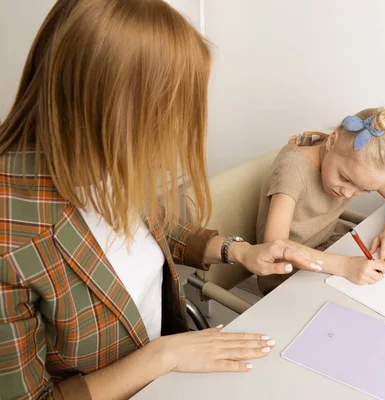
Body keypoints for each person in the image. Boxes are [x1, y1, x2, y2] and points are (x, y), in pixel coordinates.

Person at [0, 1, 320, 399]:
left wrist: (237, 252)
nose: (174, 131)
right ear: (115, 107)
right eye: (168, 111)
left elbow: (153, 229)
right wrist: (161, 356)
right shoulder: (13, 240)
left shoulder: (106, 155)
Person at [256, 107, 385, 294]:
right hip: (285, 275)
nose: (348, 194)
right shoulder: (293, 171)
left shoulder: (358, 162)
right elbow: (275, 244)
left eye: (365, 190)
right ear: (332, 141)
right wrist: (346, 266)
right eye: (345, 179)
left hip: (327, 248)